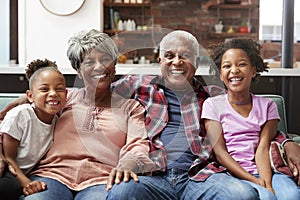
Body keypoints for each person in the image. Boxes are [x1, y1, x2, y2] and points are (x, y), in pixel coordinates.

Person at [1, 29, 155, 200]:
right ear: (78, 70)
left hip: (101, 179)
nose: (99, 66)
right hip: (52, 175)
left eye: (105, 59)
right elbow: (8, 119)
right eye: (89, 62)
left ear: (114, 65)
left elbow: (138, 145)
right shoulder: (63, 97)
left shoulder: (130, 108)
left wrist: (128, 164)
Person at [106, 30, 260, 199]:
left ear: (196, 62)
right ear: (160, 61)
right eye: (169, 56)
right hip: (153, 176)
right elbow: (91, 97)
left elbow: (257, 120)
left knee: (243, 195)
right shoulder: (137, 86)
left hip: (200, 177)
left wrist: (286, 143)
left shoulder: (214, 97)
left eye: (184, 56)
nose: (176, 62)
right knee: (121, 191)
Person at [202, 38, 300, 200]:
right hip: (233, 174)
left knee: (292, 195)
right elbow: (221, 154)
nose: (234, 70)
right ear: (220, 74)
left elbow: (262, 147)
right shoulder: (212, 105)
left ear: (253, 71)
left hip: (268, 170)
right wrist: (254, 180)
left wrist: (266, 183)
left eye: (241, 64)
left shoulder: (268, 105)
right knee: (263, 197)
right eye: (227, 66)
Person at [0, 59, 68, 200]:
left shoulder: (58, 119)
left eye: (59, 89)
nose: (53, 93)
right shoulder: (20, 115)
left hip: (24, 172)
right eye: (44, 89)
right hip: (7, 167)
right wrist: (27, 183)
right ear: (30, 96)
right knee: (9, 188)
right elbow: (8, 157)